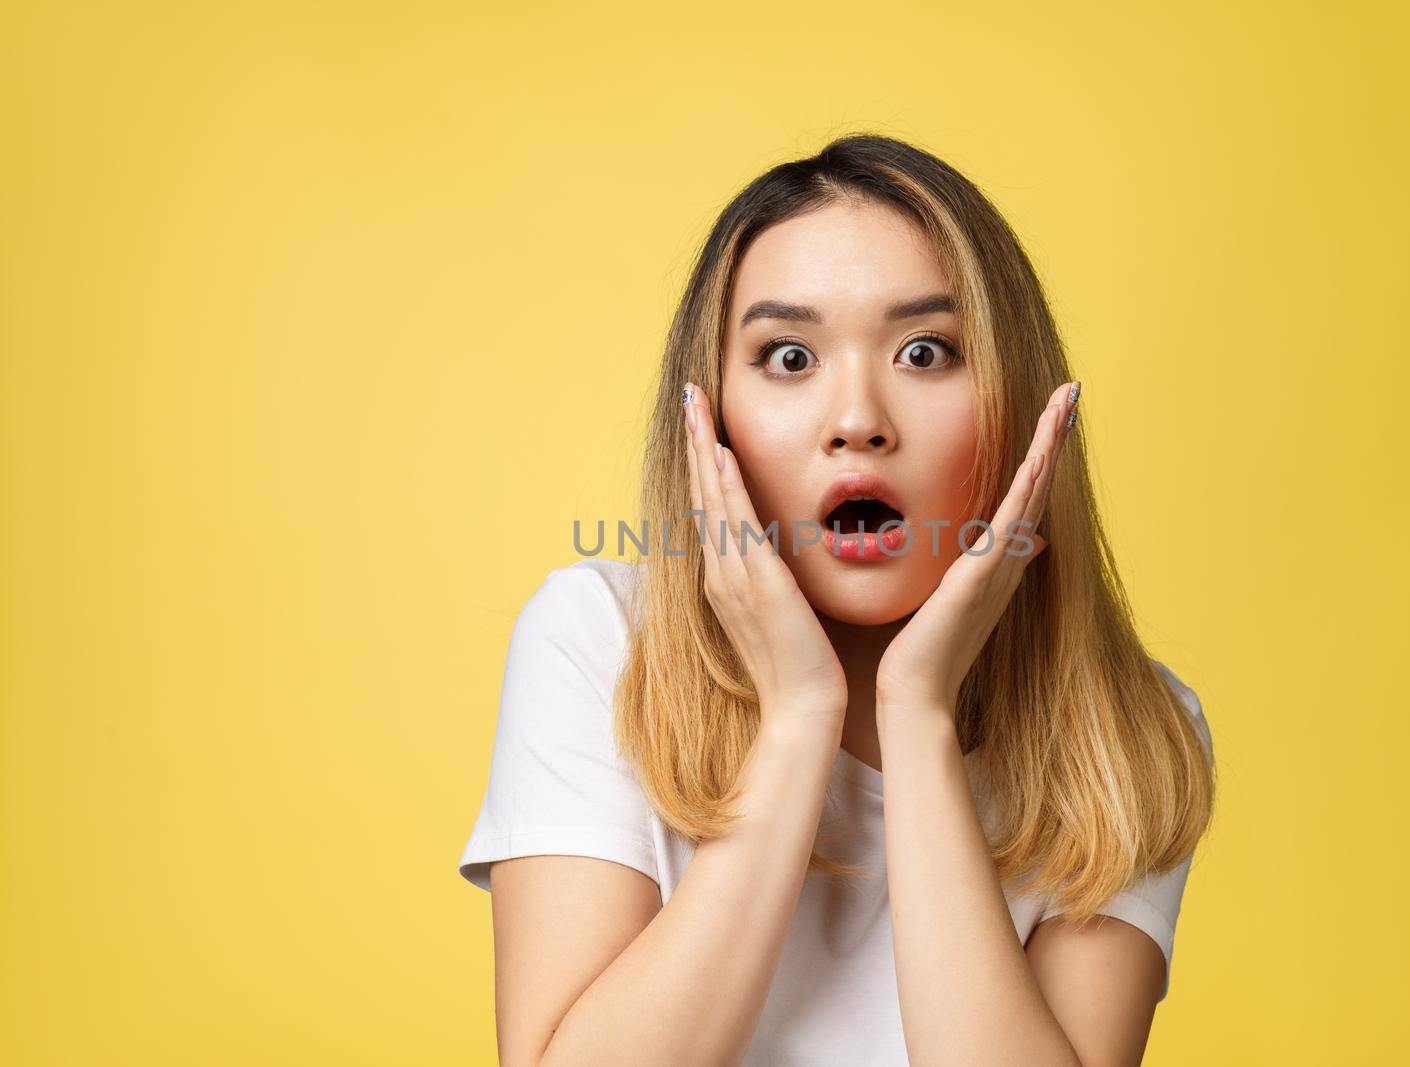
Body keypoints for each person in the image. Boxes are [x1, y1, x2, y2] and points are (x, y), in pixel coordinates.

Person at [458, 134, 1217, 1066]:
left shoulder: (1126, 735)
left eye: (926, 351)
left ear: (1019, 405)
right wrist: (796, 719)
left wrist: (918, 714)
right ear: (709, 415)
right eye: (787, 358)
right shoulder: (599, 642)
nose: (858, 420)